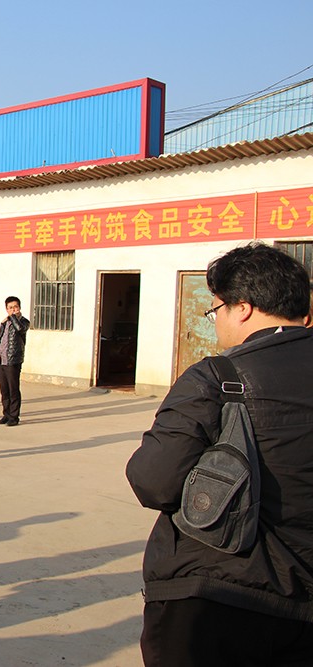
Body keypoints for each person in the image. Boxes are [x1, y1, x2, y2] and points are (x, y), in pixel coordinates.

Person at [126, 243, 313, 665]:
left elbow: (152, 481)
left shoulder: (218, 377)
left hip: (217, 597)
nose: (216, 324)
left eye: (215, 311)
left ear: (242, 308)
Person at [0, 296, 30, 426]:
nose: (13, 310)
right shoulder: (4, 322)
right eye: (10, 308)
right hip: (0, 359)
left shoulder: (24, 322)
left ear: (19, 308)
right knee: (4, 389)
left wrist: (13, 317)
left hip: (13, 360)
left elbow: (20, 329)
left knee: (13, 389)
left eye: (15, 307)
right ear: (6, 309)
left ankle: (14, 416)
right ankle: (6, 414)